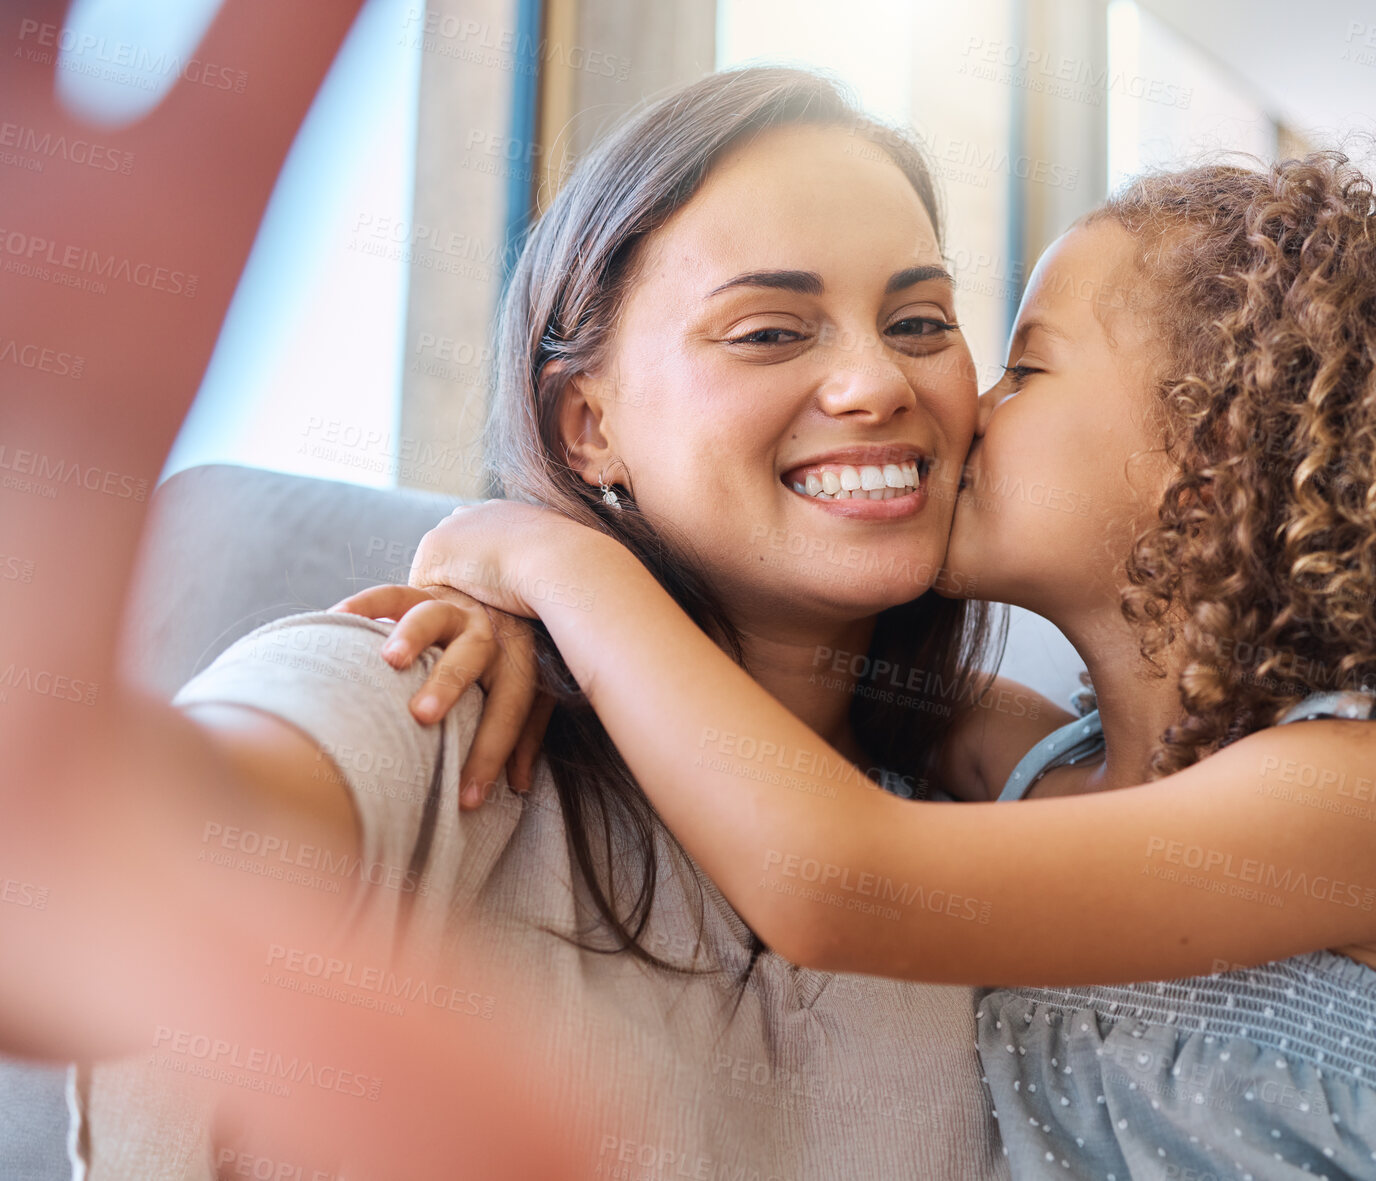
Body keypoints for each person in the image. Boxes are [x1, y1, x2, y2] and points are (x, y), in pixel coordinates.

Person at [359, 152, 1376, 1180]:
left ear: (1214, 447)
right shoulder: (1023, 761)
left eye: (1024, 368)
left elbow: (832, 874)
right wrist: (518, 621)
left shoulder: (1372, 794)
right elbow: (753, 680)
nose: (963, 402)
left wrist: (551, 563)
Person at [77, 67, 1082, 1180]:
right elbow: (136, 845)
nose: (874, 380)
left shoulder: (998, 824)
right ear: (588, 425)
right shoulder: (432, 685)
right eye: (767, 331)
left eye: (918, 320)